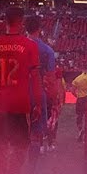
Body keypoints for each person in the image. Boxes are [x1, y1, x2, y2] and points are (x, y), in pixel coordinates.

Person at [0, 6, 42, 174]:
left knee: (0, 145)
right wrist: (38, 104)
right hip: (20, 104)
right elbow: (35, 77)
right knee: (21, 146)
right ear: (21, 22)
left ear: (5, 20)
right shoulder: (30, 46)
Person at [24, 16, 57, 154]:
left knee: (15, 134)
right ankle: (30, 172)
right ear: (39, 29)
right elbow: (50, 77)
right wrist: (54, 100)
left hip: (19, 92)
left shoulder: (21, 46)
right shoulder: (47, 50)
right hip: (38, 93)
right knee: (36, 135)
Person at [70, 68, 87, 141]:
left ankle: (80, 129)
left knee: (79, 116)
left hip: (80, 99)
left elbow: (72, 91)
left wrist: (77, 96)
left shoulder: (77, 79)